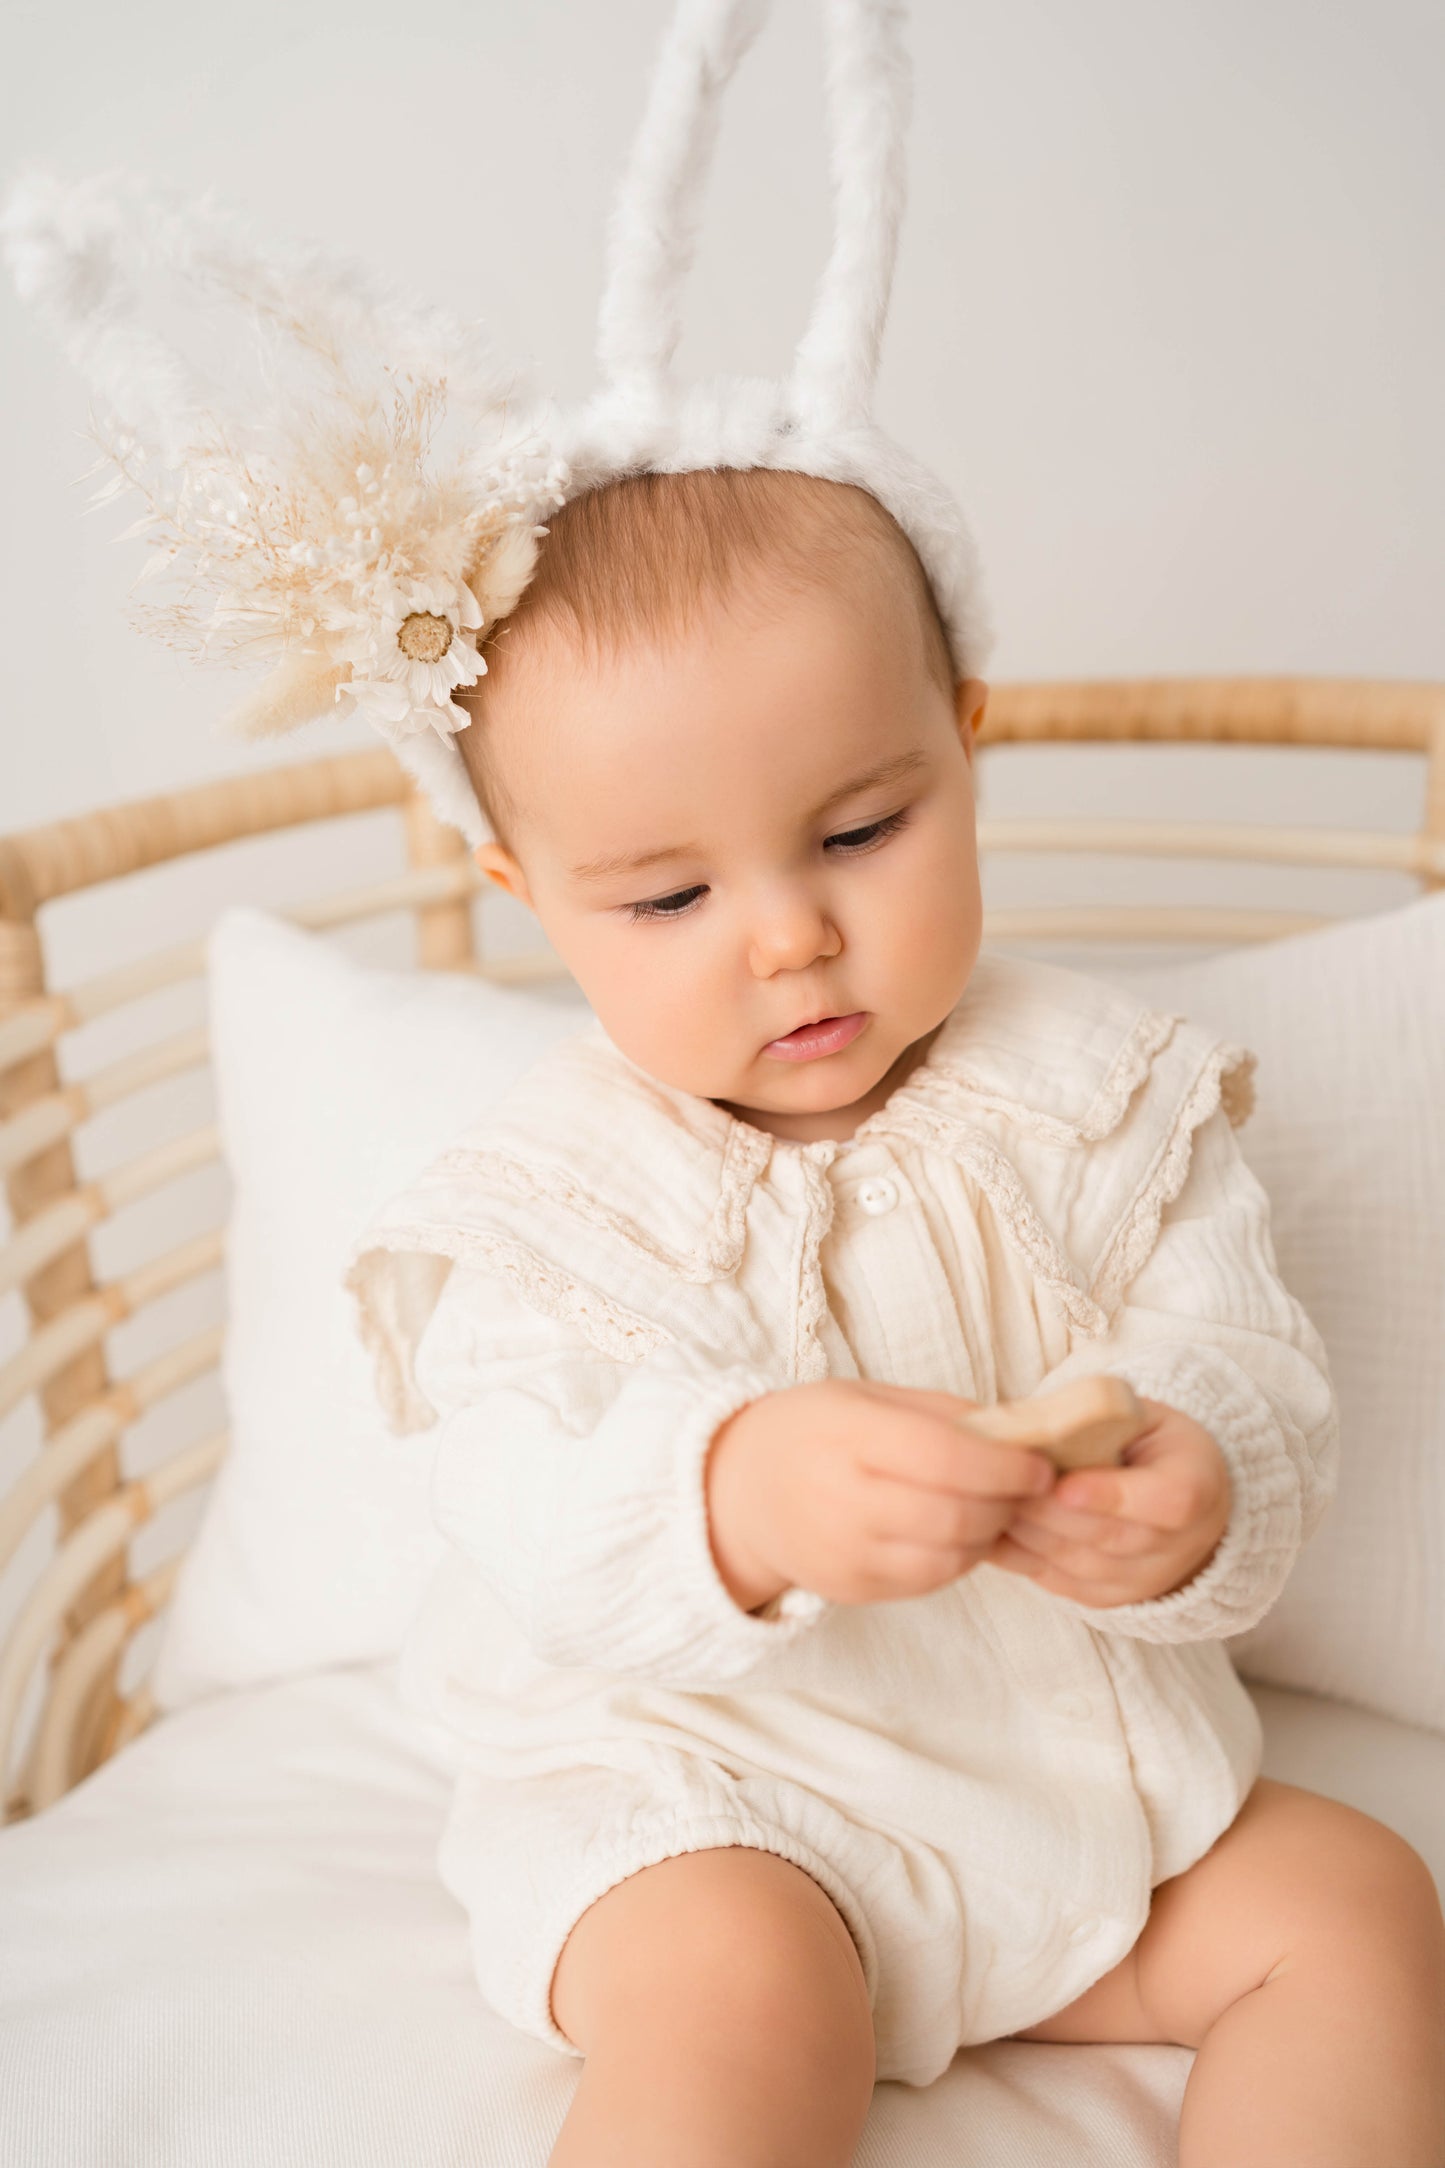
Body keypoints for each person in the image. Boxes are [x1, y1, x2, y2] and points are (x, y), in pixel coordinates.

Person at [344, 462, 1445, 2168]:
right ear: (526, 889)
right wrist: (735, 1497)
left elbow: (1242, 1353)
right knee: (743, 1988)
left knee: (1354, 1900)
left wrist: (1194, 1474)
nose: (790, 936)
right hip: (712, 1796)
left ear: (964, 744)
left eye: (859, 832)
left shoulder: (1104, 1102)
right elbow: (520, 1499)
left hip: (1068, 1781)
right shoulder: (552, 1200)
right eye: (665, 897)